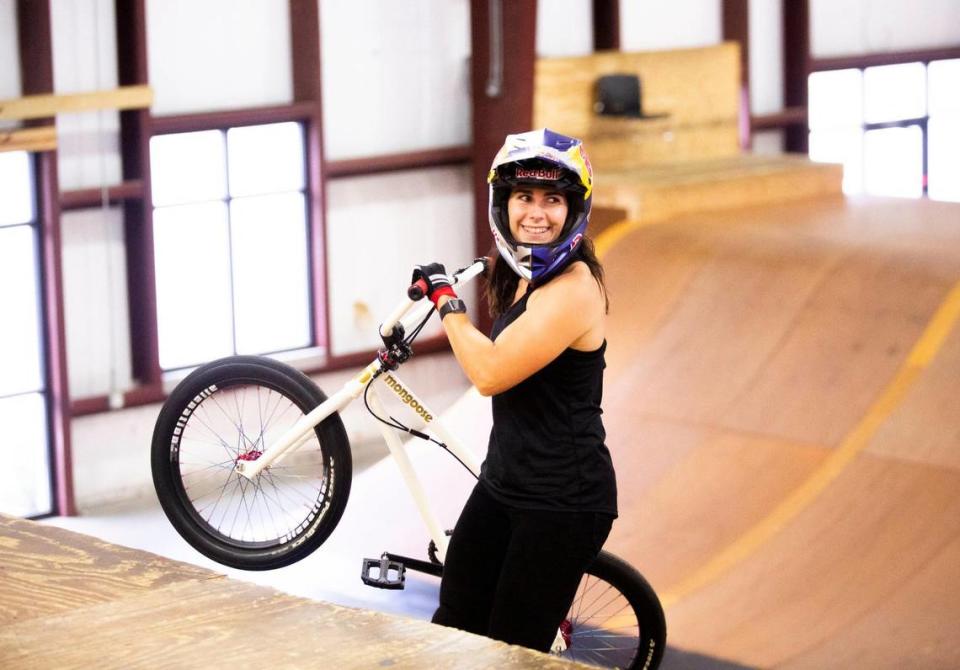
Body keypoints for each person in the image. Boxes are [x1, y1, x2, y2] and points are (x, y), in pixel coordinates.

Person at [412, 128, 617, 653]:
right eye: (524, 197)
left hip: (561, 500)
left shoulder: (573, 289)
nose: (537, 213)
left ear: (575, 210)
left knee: (511, 650)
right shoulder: (526, 274)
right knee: (456, 623)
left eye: (554, 200)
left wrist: (445, 302)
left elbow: (490, 374)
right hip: (505, 481)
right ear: (503, 204)